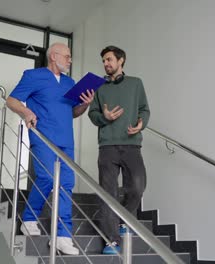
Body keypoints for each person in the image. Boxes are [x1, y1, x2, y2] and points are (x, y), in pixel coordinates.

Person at [6, 42, 94, 255]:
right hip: (43, 137)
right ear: (54, 56)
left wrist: (85, 103)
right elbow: (11, 100)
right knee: (46, 177)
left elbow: (73, 112)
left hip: (66, 140)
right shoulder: (33, 76)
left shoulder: (70, 82)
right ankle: (29, 218)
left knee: (66, 185)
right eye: (67, 56)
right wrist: (26, 113)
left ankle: (63, 236)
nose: (70, 60)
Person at [88, 45, 151, 254]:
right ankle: (111, 240)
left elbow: (144, 109)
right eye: (104, 61)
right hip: (107, 146)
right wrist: (103, 117)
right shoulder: (98, 87)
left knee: (137, 187)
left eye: (109, 60)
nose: (106, 64)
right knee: (108, 193)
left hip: (132, 144)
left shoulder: (136, 83)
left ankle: (124, 218)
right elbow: (92, 114)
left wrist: (142, 123)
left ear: (121, 60)